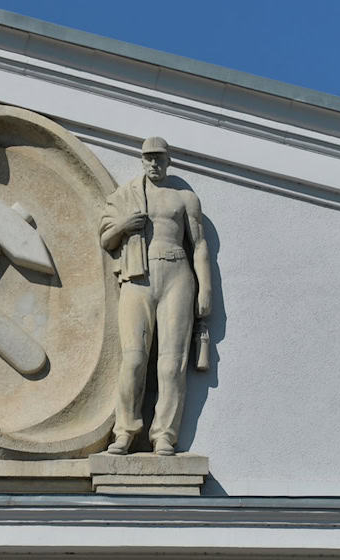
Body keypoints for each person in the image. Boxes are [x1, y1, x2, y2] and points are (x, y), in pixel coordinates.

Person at [99, 137, 211, 455]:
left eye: (159, 158)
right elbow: (106, 238)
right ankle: (125, 431)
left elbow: (199, 245)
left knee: (171, 363)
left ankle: (164, 433)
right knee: (133, 359)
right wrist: (124, 224)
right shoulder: (126, 195)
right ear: (142, 161)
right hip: (138, 277)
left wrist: (206, 290)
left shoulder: (184, 198)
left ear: (168, 160)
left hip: (177, 275)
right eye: (148, 158)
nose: (153, 164)